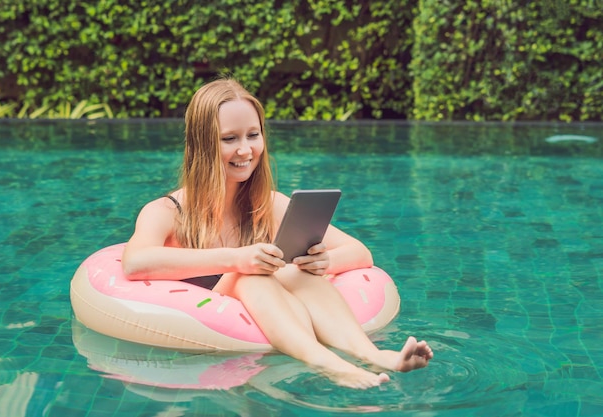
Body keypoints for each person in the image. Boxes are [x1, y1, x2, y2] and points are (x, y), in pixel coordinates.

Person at [122, 78, 433, 389]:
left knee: (293, 269)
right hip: (207, 342)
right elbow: (135, 262)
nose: (245, 150)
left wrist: (322, 262)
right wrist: (237, 259)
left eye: (253, 135)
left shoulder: (268, 204)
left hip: (271, 314)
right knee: (250, 275)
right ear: (202, 144)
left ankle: (375, 356)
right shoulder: (168, 212)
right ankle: (328, 363)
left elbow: (360, 253)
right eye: (229, 138)